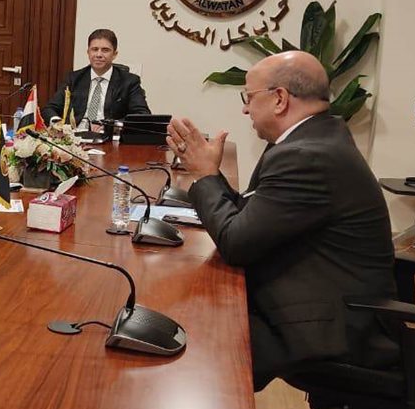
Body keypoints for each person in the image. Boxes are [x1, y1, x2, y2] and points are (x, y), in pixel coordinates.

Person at [165, 50, 395, 391]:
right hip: (329, 291)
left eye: (248, 97)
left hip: (333, 325)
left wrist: (204, 175)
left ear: (279, 99)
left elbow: (236, 243)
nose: (245, 109)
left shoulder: (305, 155)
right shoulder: (313, 138)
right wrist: (210, 175)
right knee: (198, 301)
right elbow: (249, 213)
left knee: (195, 340)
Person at [43, 29, 150, 123]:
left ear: (114, 54)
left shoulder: (129, 81)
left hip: (108, 135)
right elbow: (50, 108)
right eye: (94, 49)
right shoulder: (74, 78)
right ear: (88, 52)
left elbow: (141, 114)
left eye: (105, 50)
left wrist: (110, 126)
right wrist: (57, 123)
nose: (99, 55)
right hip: (75, 134)